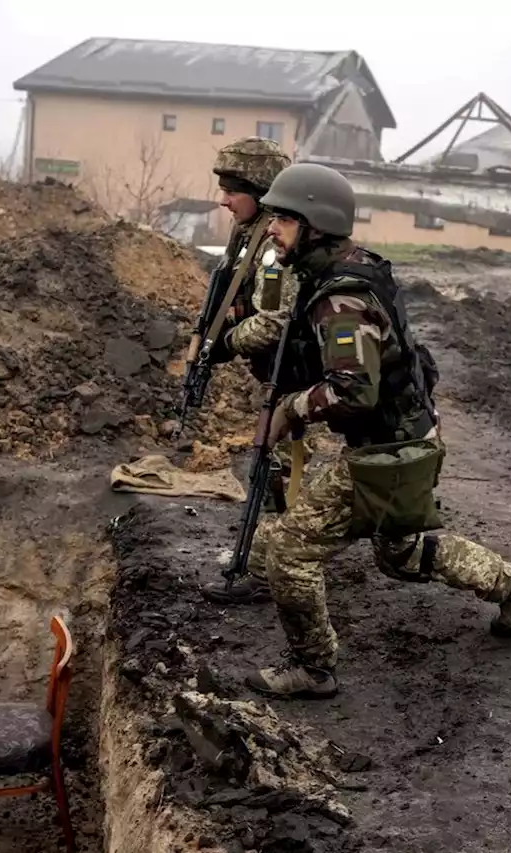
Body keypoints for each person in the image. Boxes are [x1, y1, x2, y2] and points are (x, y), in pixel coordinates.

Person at [237, 162, 511, 700]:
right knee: (400, 549)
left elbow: (352, 391)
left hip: (389, 447)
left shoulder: (342, 299)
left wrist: (290, 408)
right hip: (409, 437)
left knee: (291, 550)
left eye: (284, 221)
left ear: (314, 224)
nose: (272, 230)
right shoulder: (347, 270)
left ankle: (312, 668)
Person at [198, 137, 313, 606]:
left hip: (295, 378)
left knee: (276, 474)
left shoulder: (271, 248)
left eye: (233, 189)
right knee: (275, 473)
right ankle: (273, 563)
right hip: (283, 376)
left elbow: (275, 321)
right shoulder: (250, 237)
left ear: (261, 191)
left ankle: (271, 571)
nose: (224, 199)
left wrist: (225, 342)